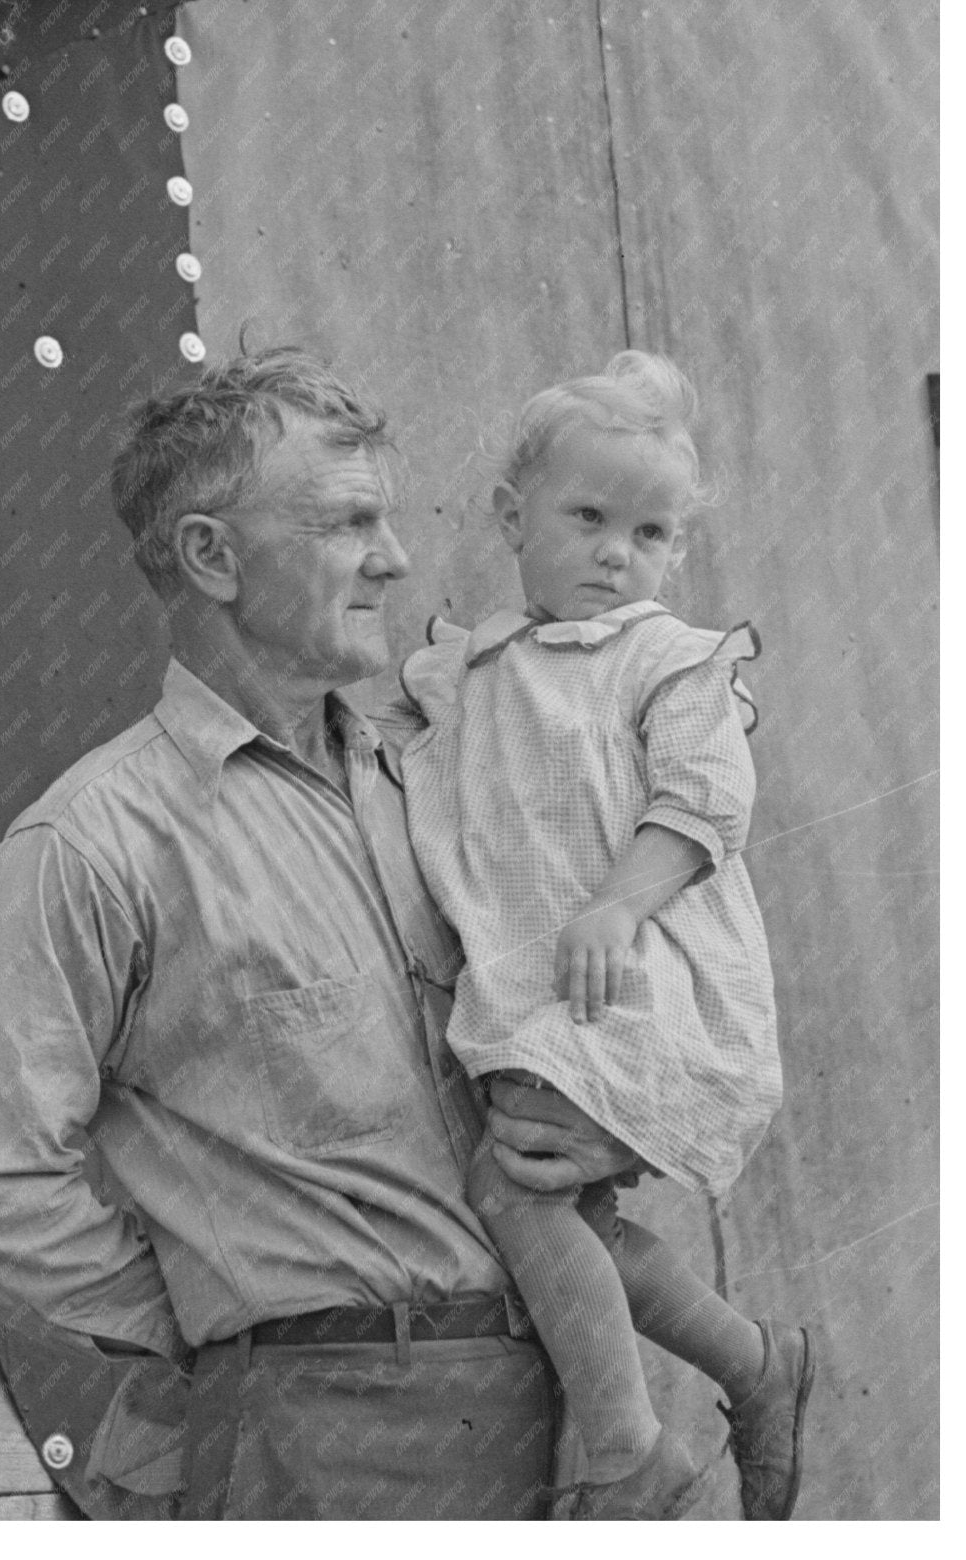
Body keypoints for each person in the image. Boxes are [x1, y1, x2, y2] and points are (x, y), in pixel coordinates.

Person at [0, 347, 639, 1521]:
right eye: (347, 523)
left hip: (559, 1406)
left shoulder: (453, 774)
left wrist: (603, 1138)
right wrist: (210, 1314)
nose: (395, 558)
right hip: (314, 1439)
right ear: (212, 556)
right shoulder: (91, 844)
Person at [396, 350, 816, 1521]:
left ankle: (628, 1448)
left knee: (519, 1186)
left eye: (650, 532)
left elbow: (702, 802)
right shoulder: (473, 662)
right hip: (542, 987)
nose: (616, 553)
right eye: (587, 518)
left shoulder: (671, 658)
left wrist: (621, 900)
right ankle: (753, 1362)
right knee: (558, 1210)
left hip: (633, 974)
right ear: (509, 514)